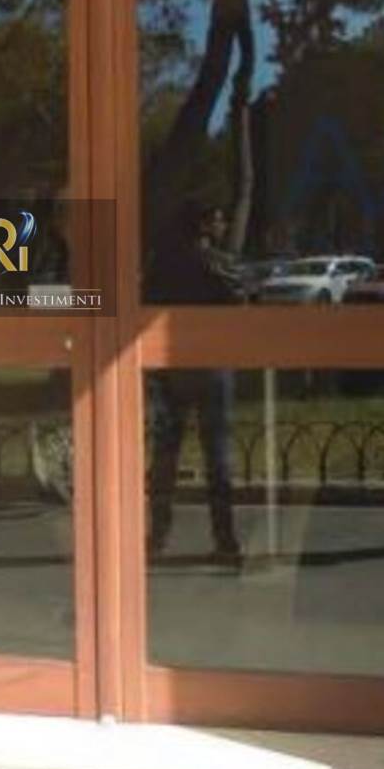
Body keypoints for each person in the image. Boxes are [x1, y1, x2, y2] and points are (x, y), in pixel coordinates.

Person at [146, 203, 244, 567]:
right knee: (217, 456)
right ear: (204, 225)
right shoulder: (218, 264)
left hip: (171, 366)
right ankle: (225, 539)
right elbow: (240, 304)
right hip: (212, 367)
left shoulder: (163, 265)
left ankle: (157, 536)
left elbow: (146, 306)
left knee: (165, 455)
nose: (224, 224)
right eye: (219, 218)